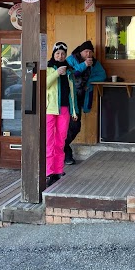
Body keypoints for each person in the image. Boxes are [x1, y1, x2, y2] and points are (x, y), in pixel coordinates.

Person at [64, 40, 106, 165]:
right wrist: (84, 65)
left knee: (75, 126)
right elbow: (70, 74)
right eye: (86, 51)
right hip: (69, 99)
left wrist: (89, 83)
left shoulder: (95, 62)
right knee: (73, 125)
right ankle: (65, 152)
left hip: (82, 98)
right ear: (80, 52)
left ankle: (62, 149)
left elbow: (102, 75)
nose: (88, 54)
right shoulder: (71, 59)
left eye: (90, 52)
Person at [46, 42, 78, 187]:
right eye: (58, 53)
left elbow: (72, 93)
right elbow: (43, 85)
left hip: (64, 109)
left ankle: (59, 170)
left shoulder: (69, 71)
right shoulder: (47, 68)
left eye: (63, 54)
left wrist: (74, 111)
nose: (60, 56)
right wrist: (56, 73)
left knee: (61, 141)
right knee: (49, 141)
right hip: (50, 109)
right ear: (53, 54)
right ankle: (48, 172)